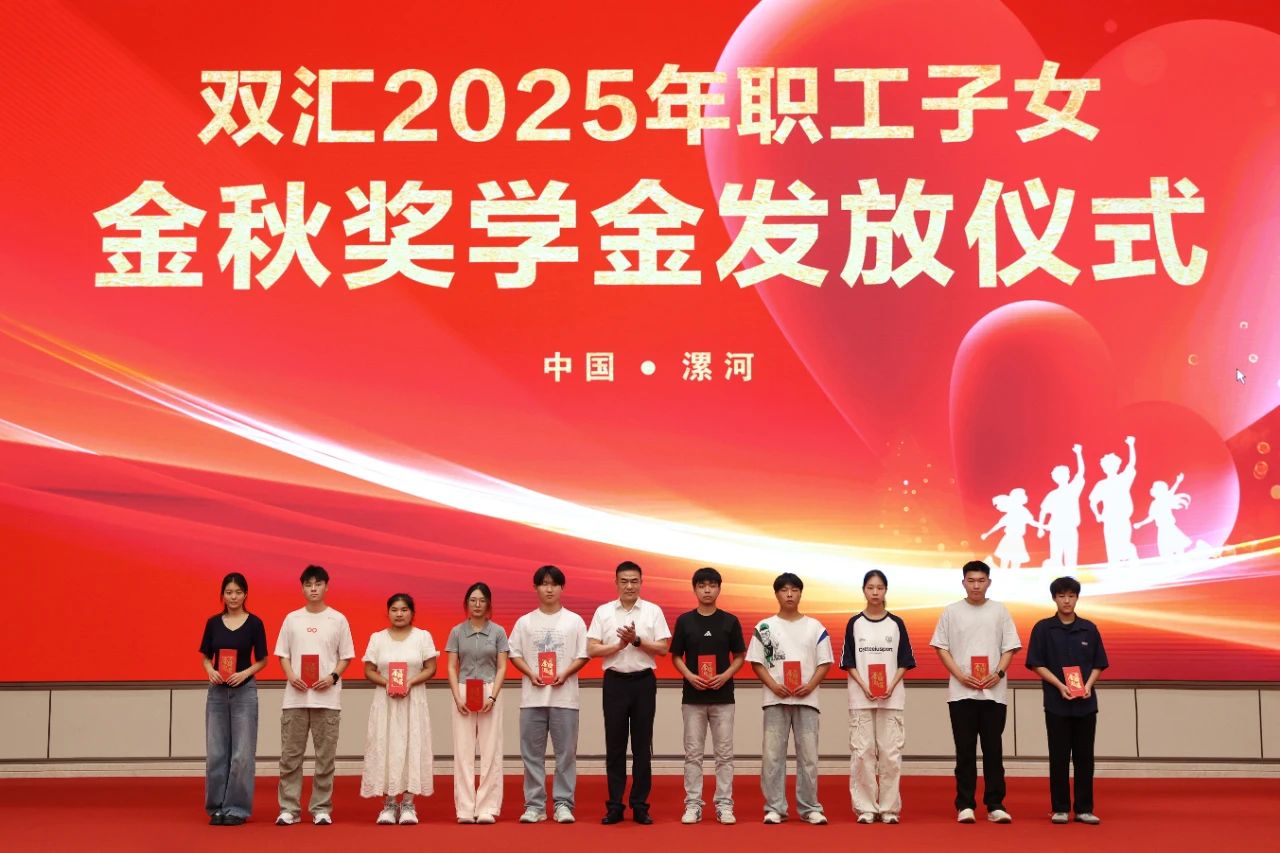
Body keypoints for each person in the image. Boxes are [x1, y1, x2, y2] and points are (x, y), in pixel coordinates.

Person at [930, 560, 1022, 824]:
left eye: (981, 581)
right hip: (961, 693)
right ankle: (965, 805)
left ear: (989, 582)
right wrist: (959, 675)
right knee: (965, 751)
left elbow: (1010, 647)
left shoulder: (1000, 610)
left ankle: (995, 805)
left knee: (994, 751)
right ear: (963, 583)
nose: (976, 586)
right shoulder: (951, 611)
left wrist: (998, 674)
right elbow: (941, 647)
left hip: (994, 694)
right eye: (971, 581)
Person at [587, 560, 671, 825]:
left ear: (641, 582)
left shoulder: (653, 611)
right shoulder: (603, 612)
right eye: (624, 581)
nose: (629, 586)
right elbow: (592, 649)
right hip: (615, 683)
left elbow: (663, 648)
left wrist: (636, 640)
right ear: (616, 583)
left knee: (642, 747)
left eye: (634, 581)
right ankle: (614, 805)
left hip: (643, 683)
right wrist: (618, 646)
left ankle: (640, 805)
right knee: (615, 746)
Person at [746, 572, 833, 825]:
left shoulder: (815, 627)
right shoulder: (765, 627)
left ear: (800, 593)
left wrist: (810, 685)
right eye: (784, 590)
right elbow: (757, 662)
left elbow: (825, 662)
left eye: (794, 590)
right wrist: (773, 685)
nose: (789, 594)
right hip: (775, 699)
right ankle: (774, 807)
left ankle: (810, 808)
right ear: (776, 594)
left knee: (809, 757)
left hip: (807, 700)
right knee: (773, 756)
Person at [508, 565, 590, 824]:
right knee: (531, 755)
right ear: (535, 588)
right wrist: (530, 673)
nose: (549, 589)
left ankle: (563, 804)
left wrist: (565, 673)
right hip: (532, 699)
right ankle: (535, 805)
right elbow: (514, 653)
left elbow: (583, 654)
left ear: (562, 587)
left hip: (565, 699)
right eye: (544, 584)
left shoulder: (574, 621)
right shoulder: (525, 622)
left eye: (554, 584)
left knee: (566, 754)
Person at [275, 564, 355, 826]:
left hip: (327, 699)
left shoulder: (338, 619)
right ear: (302, 588)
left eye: (318, 584)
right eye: (308, 584)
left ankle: (321, 808)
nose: (313, 589)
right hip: (295, 698)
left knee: (325, 758)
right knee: (290, 757)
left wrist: (332, 677)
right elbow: (283, 654)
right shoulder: (292, 619)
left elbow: (346, 656)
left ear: (326, 587)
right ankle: (289, 808)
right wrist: (291, 676)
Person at [1025, 576, 1109, 825]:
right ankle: (1060, 808)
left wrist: (1088, 686)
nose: (1066, 601)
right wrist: (1060, 686)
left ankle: (1084, 809)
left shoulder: (1089, 628)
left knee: (1085, 757)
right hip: (1056, 703)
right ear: (1054, 598)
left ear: (1077, 598)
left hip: (1086, 704)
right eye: (1061, 596)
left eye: (1071, 596)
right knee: (1059, 757)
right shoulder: (1043, 628)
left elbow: (1099, 663)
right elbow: (1036, 663)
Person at [670, 566, 746, 825]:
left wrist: (725, 676)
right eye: (702, 585)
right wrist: (690, 676)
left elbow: (740, 656)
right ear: (694, 589)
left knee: (724, 755)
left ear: (719, 589)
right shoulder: (685, 621)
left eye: (712, 585)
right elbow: (676, 656)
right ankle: (693, 804)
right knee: (693, 754)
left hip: (723, 698)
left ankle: (724, 805)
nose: (707, 590)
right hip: (693, 698)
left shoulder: (730, 621)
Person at [839, 569, 916, 824]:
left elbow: (905, 660)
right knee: (863, 752)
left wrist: (890, 685)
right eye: (870, 588)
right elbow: (848, 661)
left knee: (890, 754)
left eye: (879, 588)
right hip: (861, 698)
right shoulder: (854, 623)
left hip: (891, 699)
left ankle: (889, 808)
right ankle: (866, 808)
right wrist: (864, 685)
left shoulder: (896, 623)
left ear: (885, 591)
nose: (875, 592)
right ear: (864, 590)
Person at [360, 593, 438, 825]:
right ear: (388, 612)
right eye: (394, 610)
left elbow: (431, 668)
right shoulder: (377, 638)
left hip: (413, 701)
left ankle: (409, 804)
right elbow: (369, 670)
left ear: (412, 612)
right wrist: (388, 683)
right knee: (386, 747)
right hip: (386, 703)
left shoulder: (422, 637)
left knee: (412, 747)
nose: (399, 614)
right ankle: (389, 804)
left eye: (404, 609)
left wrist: (409, 683)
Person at [199, 572, 269, 826]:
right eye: (229, 592)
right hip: (217, 693)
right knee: (216, 751)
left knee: (242, 753)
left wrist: (244, 673)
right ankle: (217, 807)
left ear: (245, 594)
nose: (233, 597)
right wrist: (210, 670)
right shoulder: (213, 623)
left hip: (244, 692)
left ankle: (237, 808)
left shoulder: (255, 623)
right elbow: (206, 656)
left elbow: (263, 660)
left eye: (238, 592)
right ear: (222, 595)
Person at [445, 582, 509, 824]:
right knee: (463, 751)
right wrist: (456, 696)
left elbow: (502, 666)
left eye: (482, 600)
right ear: (466, 604)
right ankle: (464, 808)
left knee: (491, 750)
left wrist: (493, 696)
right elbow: (452, 667)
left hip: (490, 690)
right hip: (463, 690)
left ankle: (487, 807)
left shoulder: (498, 632)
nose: (477, 605)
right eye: (473, 600)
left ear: (489, 604)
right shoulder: (456, 632)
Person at [1089, 435, 1139, 563]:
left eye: (1112, 465)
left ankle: (1131, 561)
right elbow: (1093, 502)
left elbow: (1131, 463)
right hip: (1109, 519)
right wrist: (1097, 515)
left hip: (1122, 517)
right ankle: (1115, 565)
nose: (1109, 467)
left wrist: (1131, 445)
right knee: (1111, 545)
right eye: (1106, 466)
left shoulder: (1123, 478)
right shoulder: (1101, 484)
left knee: (1125, 543)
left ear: (1117, 465)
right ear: (1103, 468)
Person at [1038, 444, 1086, 568]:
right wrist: (1040, 528)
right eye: (1058, 475)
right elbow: (1043, 511)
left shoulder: (1073, 488)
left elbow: (1081, 472)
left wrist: (1078, 453)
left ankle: (1071, 577)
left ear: (1068, 475)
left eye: (1064, 474)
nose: (1061, 477)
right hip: (1056, 529)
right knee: (1056, 558)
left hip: (1070, 528)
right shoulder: (1052, 495)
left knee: (1071, 558)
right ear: (1055, 478)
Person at [982, 488, 1042, 570]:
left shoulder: (1024, 511)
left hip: (1018, 538)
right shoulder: (1012, 512)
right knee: (1005, 559)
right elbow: (999, 525)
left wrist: (1043, 526)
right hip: (1009, 538)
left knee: (1016, 560)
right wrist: (987, 534)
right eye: (1024, 495)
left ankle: (1012, 573)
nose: (1026, 497)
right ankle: (999, 570)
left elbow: (1032, 522)